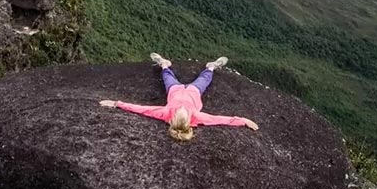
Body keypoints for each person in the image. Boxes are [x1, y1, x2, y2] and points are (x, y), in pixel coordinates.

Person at [99, 53, 260, 142]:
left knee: (166, 74)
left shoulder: (166, 113)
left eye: (178, 112)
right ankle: (212, 66)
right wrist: (242, 121)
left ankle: (164, 63)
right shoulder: (196, 117)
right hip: (194, 91)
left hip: (175, 90)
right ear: (189, 121)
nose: (181, 109)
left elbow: (142, 109)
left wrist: (117, 103)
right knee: (205, 78)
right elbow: (220, 119)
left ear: (173, 118)